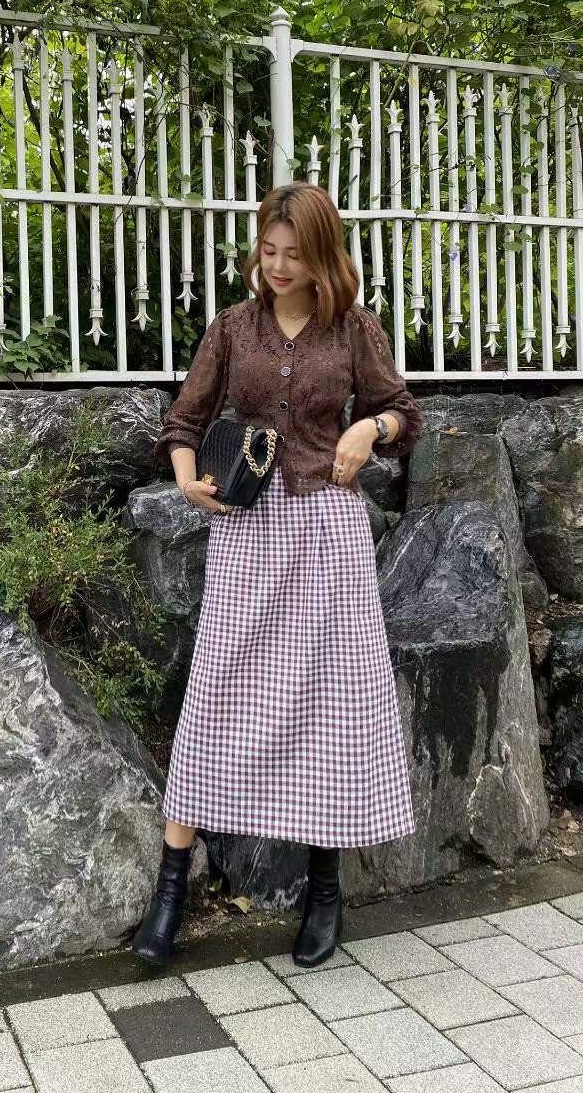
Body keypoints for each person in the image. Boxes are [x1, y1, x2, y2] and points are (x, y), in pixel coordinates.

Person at [132, 181, 424, 970]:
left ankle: (324, 892)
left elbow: (405, 413)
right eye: (269, 251)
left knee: (331, 703)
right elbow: (184, 419)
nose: (280, 266)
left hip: (328, 530)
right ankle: (170, 891)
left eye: (295, 253)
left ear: (323, 254)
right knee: (216, 694)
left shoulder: (354, 328)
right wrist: (188, 476)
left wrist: (369, 426)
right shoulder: (233, 327)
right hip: (248, 531)